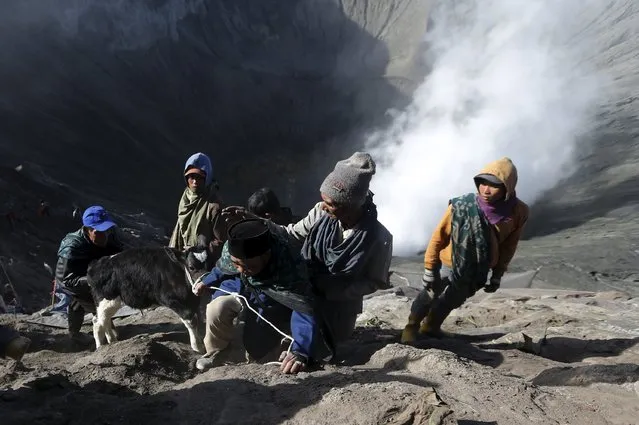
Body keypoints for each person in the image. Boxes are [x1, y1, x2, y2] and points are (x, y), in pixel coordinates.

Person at [225, 152, 393, 356]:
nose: (324, 205)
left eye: (331, 203)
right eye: (323, 199)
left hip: (337, 310)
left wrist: (331, 289)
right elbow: (291, 235)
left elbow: (375, 282)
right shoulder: (321, 213)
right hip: (302, 291)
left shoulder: (378, 238)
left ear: (350, 204)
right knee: (262, 336)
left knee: (319, 352)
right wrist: (256, 222)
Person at [401, 157, 530, 343]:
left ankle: (431, 326)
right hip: (449, 262)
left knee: (454, 299)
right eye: (482, 183)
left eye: (494, 185)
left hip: (478, 268)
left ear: (507, 188)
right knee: (431, 292)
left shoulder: (518, 212)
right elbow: (438, 237)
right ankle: (411, 327)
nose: (485, 190)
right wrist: (430, 268)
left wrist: (498, 273)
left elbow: (509, 245)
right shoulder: (461, 206)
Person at [193, 219, 331, 374]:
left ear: (266, 256)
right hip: (238, 287)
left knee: (258, 347)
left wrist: (301, 351)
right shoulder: (234, 253)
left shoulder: (290, 268)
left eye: (249, 266)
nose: (241, 270)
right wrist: (207, 281)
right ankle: (217, 353)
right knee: (216, 308)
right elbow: (224, 268)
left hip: (270, 305)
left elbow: (302, 307)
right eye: (236, 264)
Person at [55, 205, 123, 340]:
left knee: (89, 301)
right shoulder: (71, 247)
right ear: (88, 230)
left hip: (98, 270)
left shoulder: (109, 235)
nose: (105, 236)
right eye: (100, 232)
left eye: (107, 230)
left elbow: (119, 253)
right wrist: (95, 280)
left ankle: (80, 329)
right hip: (75, 279)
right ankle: (78, 335)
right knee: (94, 302)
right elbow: (65, 280)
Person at [169, 153, 226, 265]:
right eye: (192, 177)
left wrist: (198, 252)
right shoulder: (186, 198)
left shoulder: (214, 205)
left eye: (200, 177)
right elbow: (180, 228)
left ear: (207, 177)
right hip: (182, 256)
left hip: (203, 262)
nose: (195, 182)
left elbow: (219, 241)